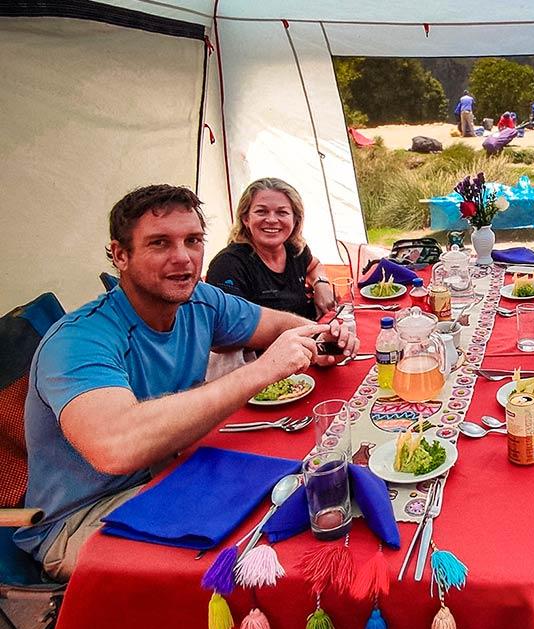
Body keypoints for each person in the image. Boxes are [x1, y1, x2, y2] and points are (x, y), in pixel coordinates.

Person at [14, 184, 360, 580]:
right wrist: (263, 370)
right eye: (160, 243)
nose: (183, 258)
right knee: (257, 558)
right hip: (85, 517)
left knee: (303, 494)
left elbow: (276, 325)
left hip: (172, 474)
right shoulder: (78, 340)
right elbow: (116, 447)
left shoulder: (200, 301)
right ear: (120, 255)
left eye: (193, 241)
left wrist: (319, 335)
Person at [205, 178, 336, 319]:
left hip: (309, 336)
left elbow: (314, 266)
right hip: (270, 341)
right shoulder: (228, 265)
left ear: (295, 219)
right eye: (261, 211)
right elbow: (229, 328)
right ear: (245, 219)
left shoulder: (295, 249)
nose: (272, 220)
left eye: (282, 212)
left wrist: (321, 283)